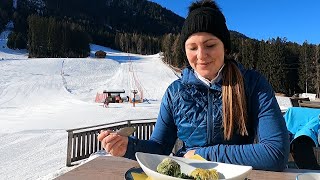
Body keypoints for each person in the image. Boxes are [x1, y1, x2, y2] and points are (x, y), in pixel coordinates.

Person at [98, 0, 289, 171]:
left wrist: (204, 155)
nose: (201, 55)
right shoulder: (175, 93)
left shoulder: (253, 84)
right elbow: (159, 148)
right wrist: (129, 146)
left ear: (226, 47)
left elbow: (275, 153)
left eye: (210, 45)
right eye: (192, 47)